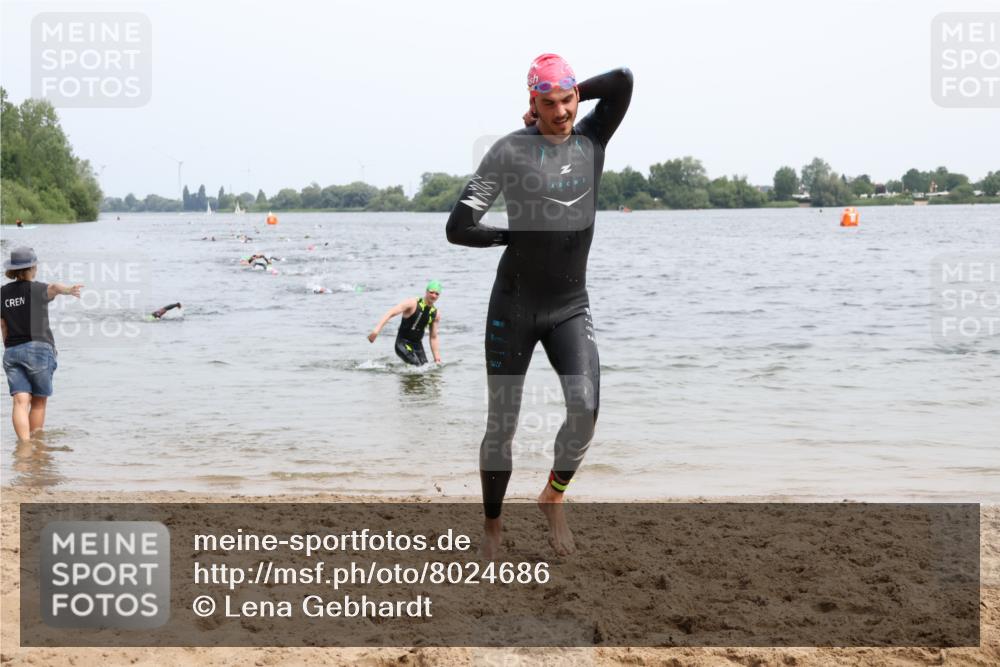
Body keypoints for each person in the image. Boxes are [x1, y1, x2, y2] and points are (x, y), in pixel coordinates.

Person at [446, 54, 632, 557]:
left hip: (570, 305)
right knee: (501, 424)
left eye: (566, 99)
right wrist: (511, 234)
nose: (559, 112)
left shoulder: (592, 140)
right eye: (547, 102)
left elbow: (622, 80)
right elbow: (458, 228)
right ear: (531, 103)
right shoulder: (509, 152)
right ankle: (492, 530)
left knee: (586, 410)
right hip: (515, 305)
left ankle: (553, 496)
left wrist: (576, 91)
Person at [1, 247, 83, 442]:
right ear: (32, 267)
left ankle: (25, 445)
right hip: (38, 349)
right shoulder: (37, 289)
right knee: (38, 402)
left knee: (20, 401)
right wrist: (69, 290)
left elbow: (3, 326)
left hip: (12, 351)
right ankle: (36, 446)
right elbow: (54, 287)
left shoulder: (2, 293)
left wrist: (10, 348)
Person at [368, 281, 442, 366]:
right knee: (418, 367)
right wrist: (376, 331)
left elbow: (433, 337)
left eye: (437, 294)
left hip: (417, 345)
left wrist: (437, 358)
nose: (433, 295)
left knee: (425, 368)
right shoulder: (412, 303)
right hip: (402, 343)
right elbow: (390, 313)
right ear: (426, 291)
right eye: (431, 292)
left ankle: (404, 378)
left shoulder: (435, 314)